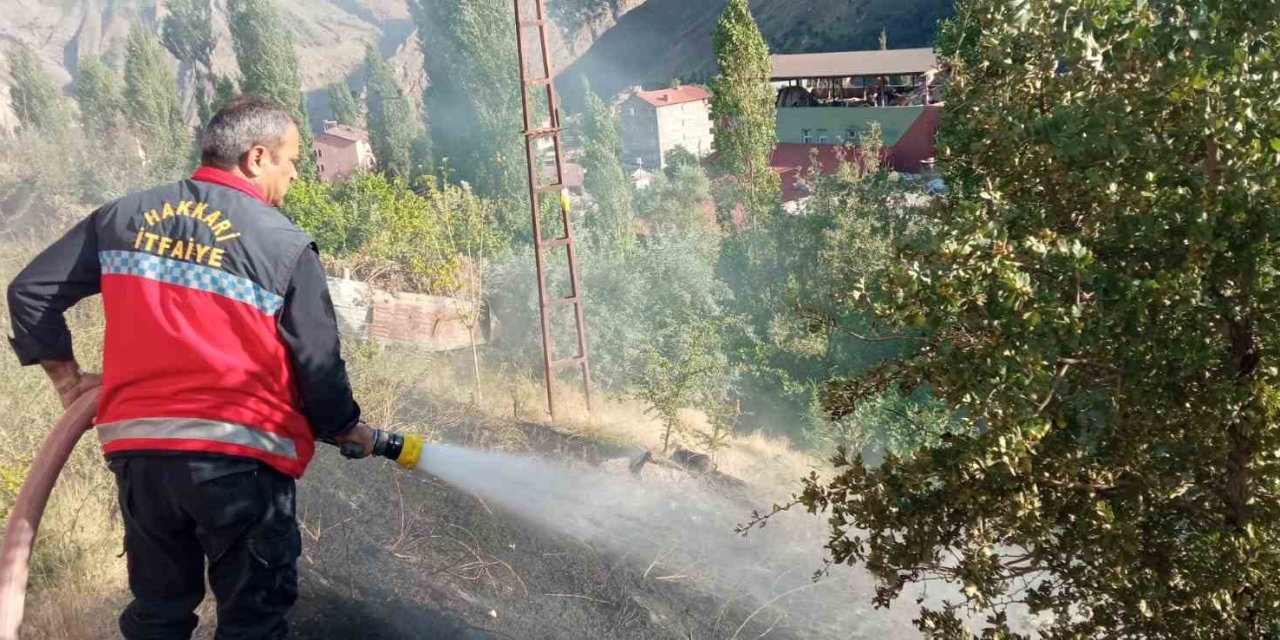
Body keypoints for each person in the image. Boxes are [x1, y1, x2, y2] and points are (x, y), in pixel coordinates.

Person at [6, 94, 378, 639]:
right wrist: (345, 425)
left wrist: (68, 381)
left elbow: (30, 292)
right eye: (292, 160)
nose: (297, 174)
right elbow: (318, 366)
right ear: (256, 157)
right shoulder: (284, 246)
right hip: (241, 461)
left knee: (159, 615)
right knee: (254, 623)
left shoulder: (121, 217)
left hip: (143, 458)